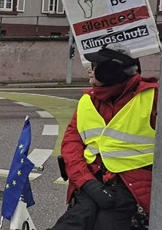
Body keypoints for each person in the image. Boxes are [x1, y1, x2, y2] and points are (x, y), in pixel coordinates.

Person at [49, 43, 157, 230]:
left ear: (111, 72)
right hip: (92, 181)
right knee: (73, 222)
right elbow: (71, 146)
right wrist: (87, 183)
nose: (89, 71)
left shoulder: (153, 97)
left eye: (95, 67)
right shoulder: (87, 101)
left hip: (133, 187)